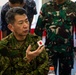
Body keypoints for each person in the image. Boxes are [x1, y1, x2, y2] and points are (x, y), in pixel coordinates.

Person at [0, 7, 49, 75]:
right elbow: (5, 72)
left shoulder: (36, 40)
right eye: (21, 23)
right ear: (11, 27)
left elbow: (45, 66)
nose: (26, 25)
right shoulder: (3, 46)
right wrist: (27, 59)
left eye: (26, 21)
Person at [34, 0, 76, 75]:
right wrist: (38, 50)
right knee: (49, 73)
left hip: (67, 50)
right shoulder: (46, 7)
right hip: (50, 50)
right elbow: (38, 31)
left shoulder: (73, 7)